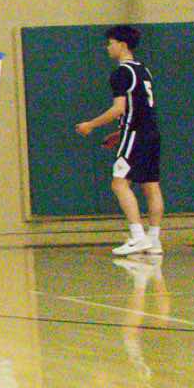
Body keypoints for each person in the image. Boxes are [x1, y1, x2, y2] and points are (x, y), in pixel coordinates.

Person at [76, 24, 165, 258]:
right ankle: (154, 240)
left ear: (122, 45)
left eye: (110, 43)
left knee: (119, 183)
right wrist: (119, 133)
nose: (108, 47)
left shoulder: (121, 73)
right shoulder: (144, 70)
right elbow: (140, 108)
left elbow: (119, 109)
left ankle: (137, 236)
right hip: (151, 133)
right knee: (151, 185)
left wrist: (90, 125)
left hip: (135, 133)